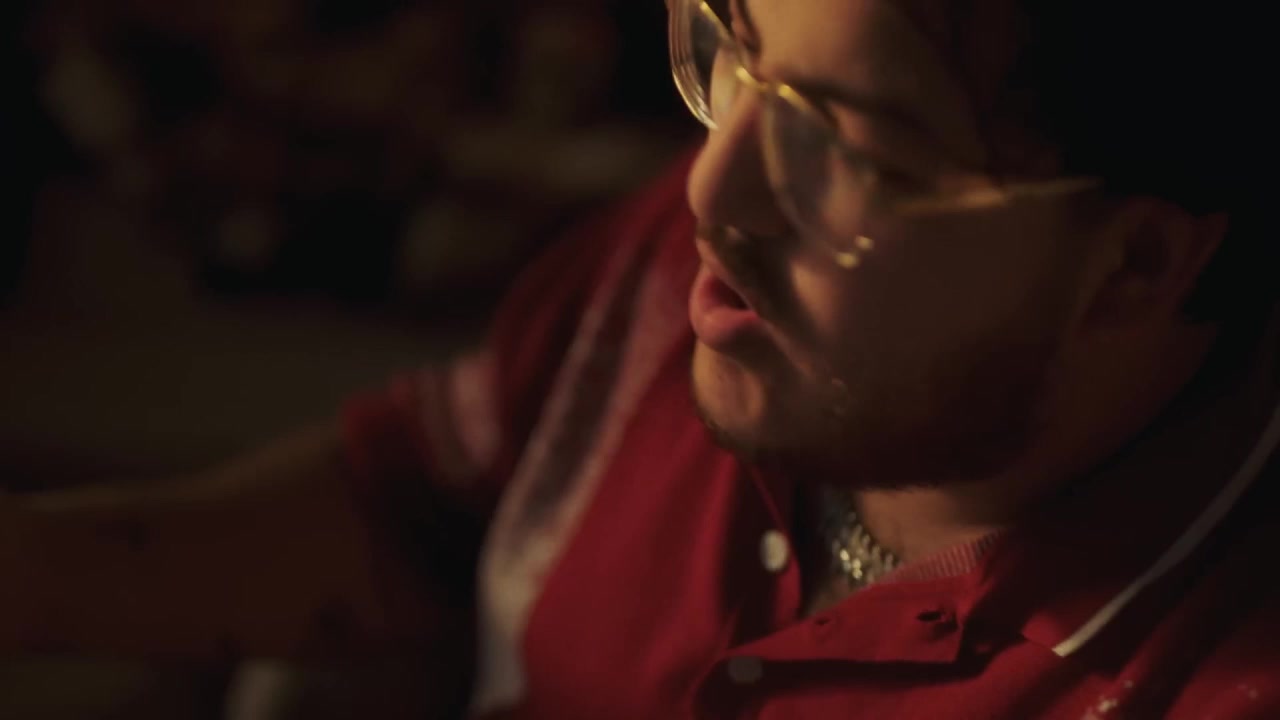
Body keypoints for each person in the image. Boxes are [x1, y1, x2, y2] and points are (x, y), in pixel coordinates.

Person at [3, 0, 1277, 717]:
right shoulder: (700, 288)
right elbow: (427, 502)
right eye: (730, 46)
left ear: (1133, 267)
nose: (711, 190)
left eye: (845, 148)